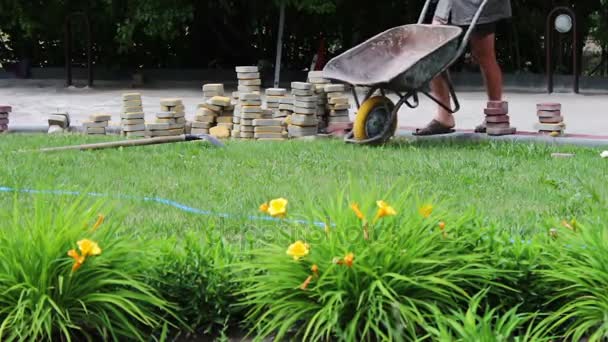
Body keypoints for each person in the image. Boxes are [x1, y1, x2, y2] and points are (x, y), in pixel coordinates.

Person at [414, 0, 512, 136]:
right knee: (434, 51)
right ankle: (444, 116)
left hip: (477, 4)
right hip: (447, 5)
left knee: (483, 54)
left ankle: (495, 115)